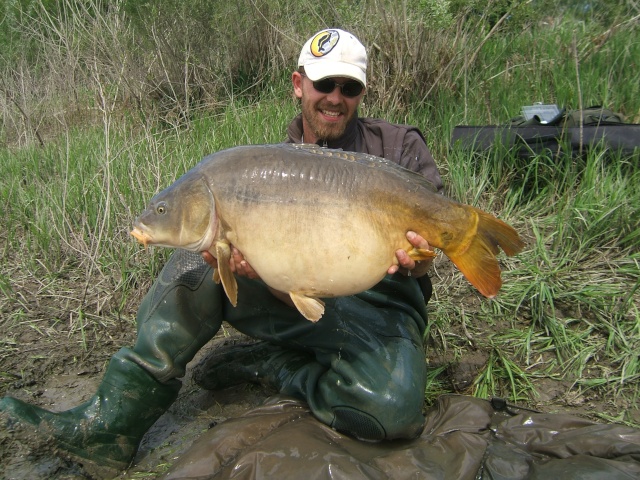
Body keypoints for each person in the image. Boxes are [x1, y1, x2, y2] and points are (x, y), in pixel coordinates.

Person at [0, 28, 443, 472]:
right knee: (199, 253)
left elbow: (429, 261)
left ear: (362, 93)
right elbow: (285, 280)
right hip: (297, 297)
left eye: (349, 88)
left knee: (390, 412)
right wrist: (255, 272)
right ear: (298, 85)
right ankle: (109, 423)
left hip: (380, 304)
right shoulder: (269, 165)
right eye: (324, 84)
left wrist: (420, 260)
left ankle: (277, 368)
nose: (335, 97)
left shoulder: (399, 148)